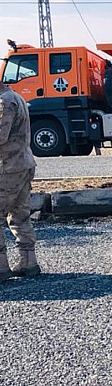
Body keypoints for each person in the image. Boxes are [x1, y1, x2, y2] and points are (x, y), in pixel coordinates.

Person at [0, 80, 39, 282]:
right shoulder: (17, 97)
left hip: (7, 167)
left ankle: (1, 267)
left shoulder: (3, 102)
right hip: (23, 164)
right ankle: (28, 261)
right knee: (20, 215)